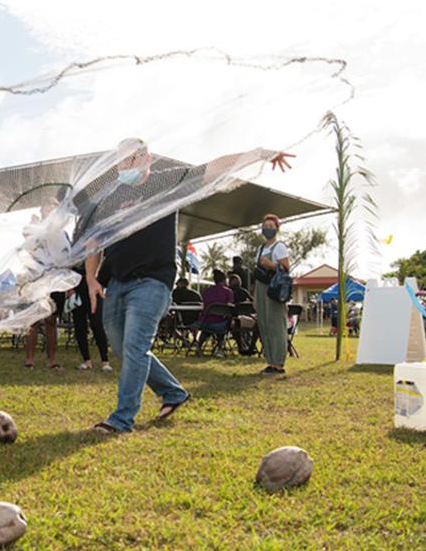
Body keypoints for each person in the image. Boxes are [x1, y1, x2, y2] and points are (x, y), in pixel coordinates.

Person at [82, 138, 293, 433]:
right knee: (123, 348)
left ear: (147, 159)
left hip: (152, 281)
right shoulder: (113, 196)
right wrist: (91, 278)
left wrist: (258, 154)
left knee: (134, 346)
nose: (124, 166)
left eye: (131, 159)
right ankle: (173, 392)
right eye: (120, 161)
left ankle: (121, 419)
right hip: (116, 282)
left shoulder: (167, 183)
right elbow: (95, 241)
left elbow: (214, 168)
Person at [253, 213, 290, 374]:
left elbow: (286, 269)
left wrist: (271, 264)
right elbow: (256, 273)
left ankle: (279, 363)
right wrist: (255, 296)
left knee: (276, 325)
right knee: (265, 324)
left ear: (277, 228)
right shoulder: (260, 249)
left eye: (271, 226)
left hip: (274, 289)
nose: (268, 229)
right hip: (261, 289)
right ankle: (270, 361)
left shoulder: (279, 247)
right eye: (265, 226)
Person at [70, 266, 112, 372]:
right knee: (79, 325)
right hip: (77, 288)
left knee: (97, 324)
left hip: (94, 286)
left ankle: (105, 361)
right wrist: (69, 289)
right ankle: (86, 360)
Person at [195, 269, 235, 355]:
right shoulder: (228, 292)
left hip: (204, 322)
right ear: (224, 280)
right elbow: (229, 307)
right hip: (219, 324)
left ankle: (199, 345)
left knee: (207, 328)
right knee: (223, 323)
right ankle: (220, 348)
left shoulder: (207, 291)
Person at [24, 293, 64, 370]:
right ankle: (29, 359)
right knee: (33, 321)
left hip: (55, 288)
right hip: (36, 287)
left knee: (51, 321)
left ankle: (51, 360)